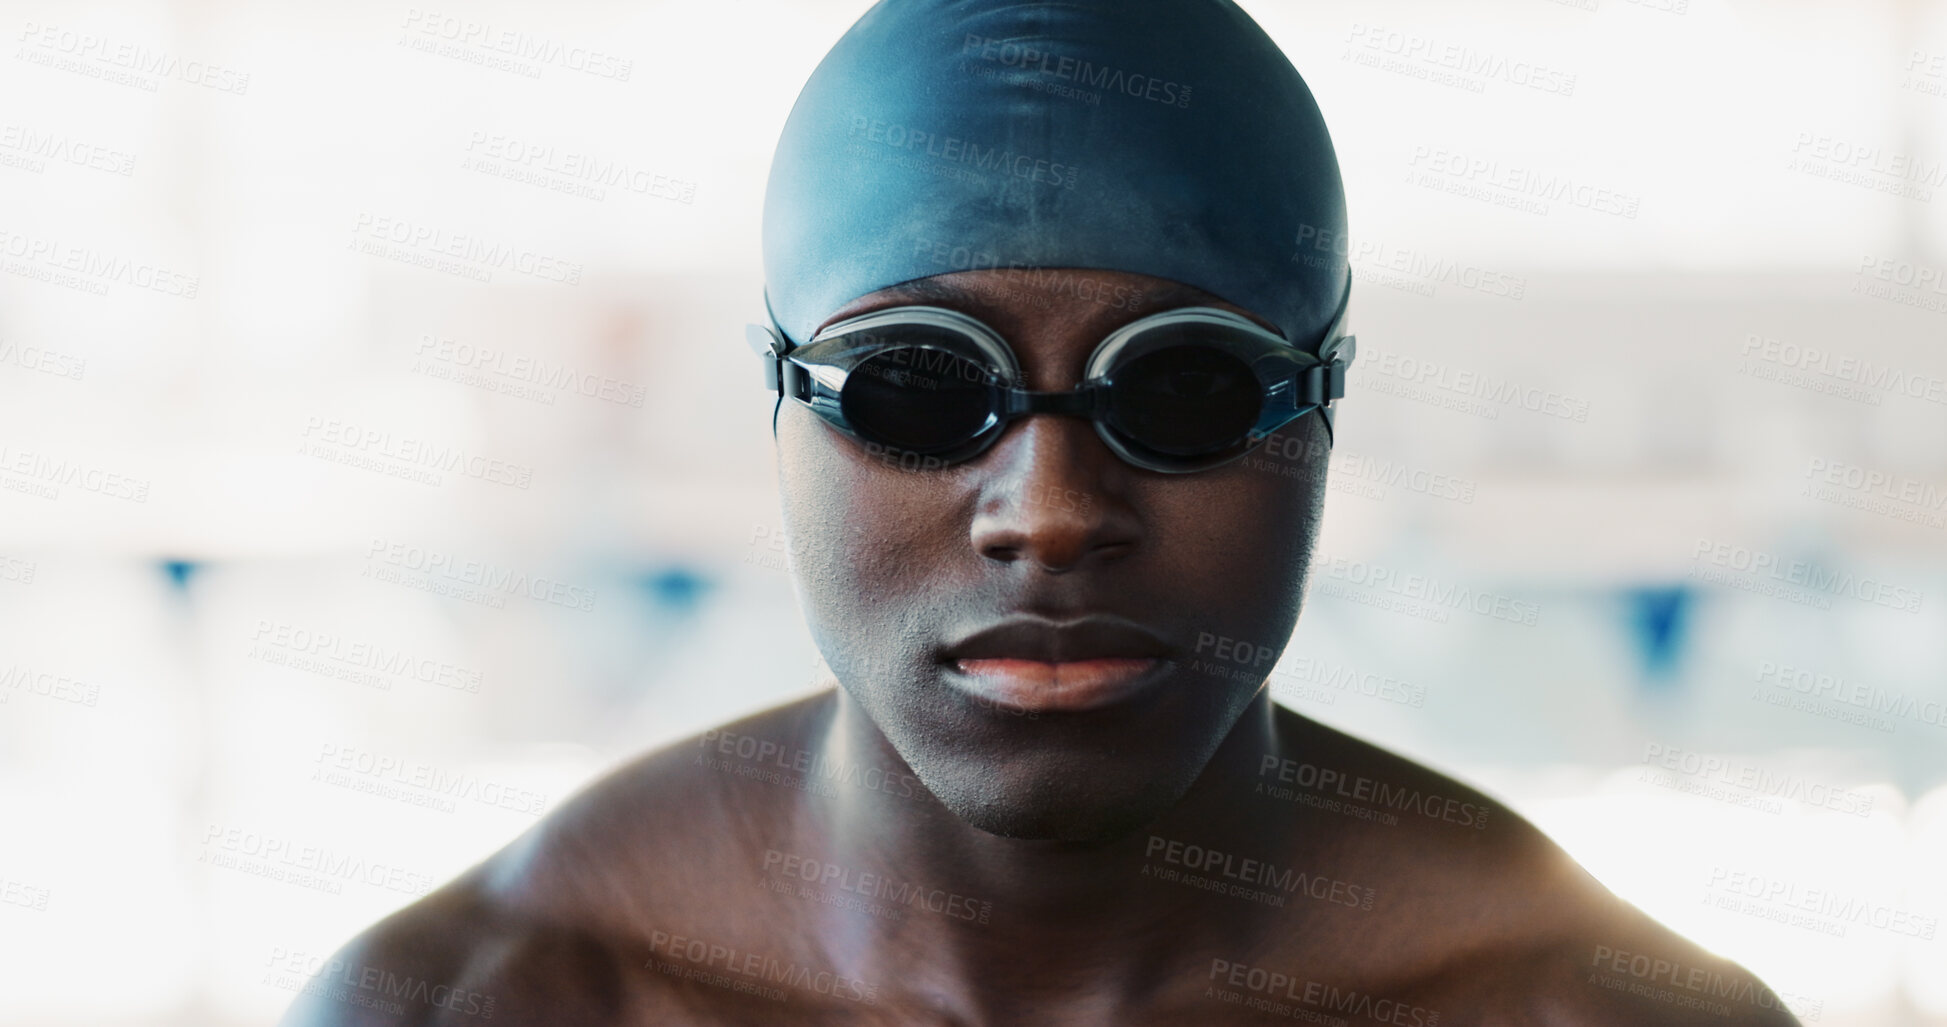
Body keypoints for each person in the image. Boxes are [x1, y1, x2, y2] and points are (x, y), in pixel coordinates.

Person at [282, 1, 1802, 1023]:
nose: (1053, 512)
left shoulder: (1579, 1007)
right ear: (781, 406)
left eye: (1189, 391)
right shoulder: (496, 1001)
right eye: (921, 389)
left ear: (1323, 416)